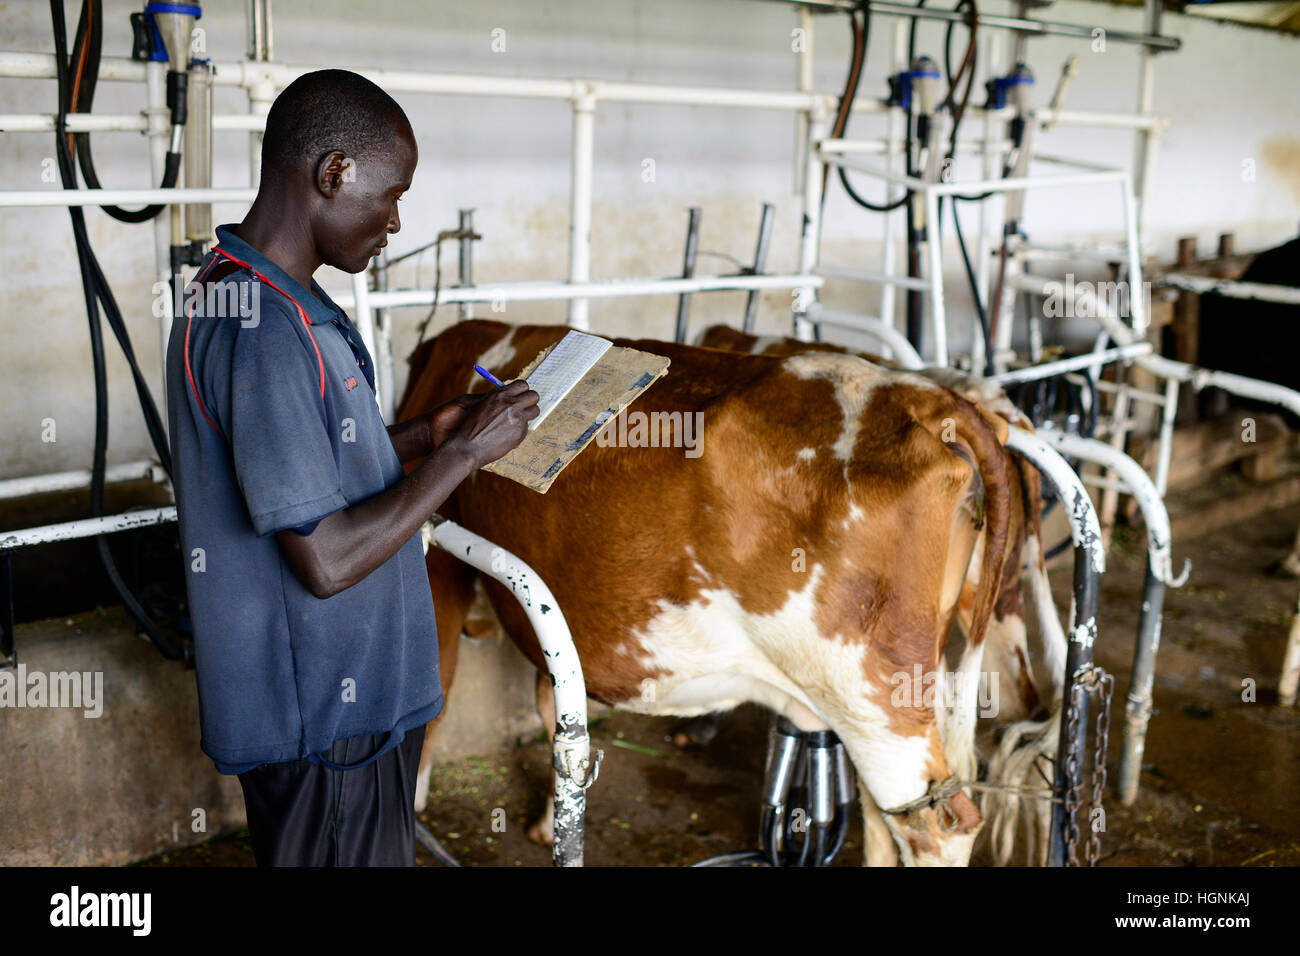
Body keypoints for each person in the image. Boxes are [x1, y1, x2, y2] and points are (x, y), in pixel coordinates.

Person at [164, 69, 539, 866]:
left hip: (347, 712)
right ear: (334, 172)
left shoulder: (261, 297)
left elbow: (301, 460)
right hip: (328, 724)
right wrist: (467, 456)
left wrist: (419, 439)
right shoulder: (263, 328)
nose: (396, 220)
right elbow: (326, 559)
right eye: (391, 193)